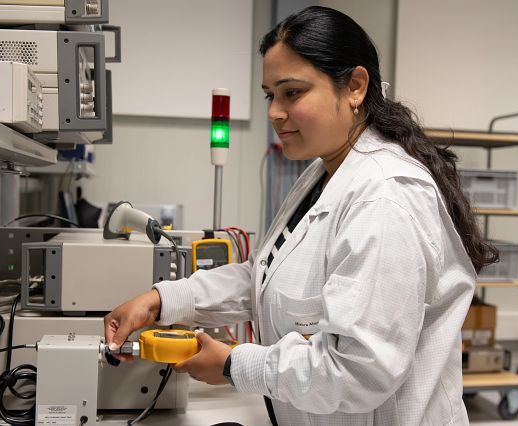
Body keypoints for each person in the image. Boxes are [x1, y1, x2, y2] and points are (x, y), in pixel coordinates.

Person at [104, 6, 498, 425]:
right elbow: (265, 276)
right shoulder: (325, 171)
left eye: (292, 92)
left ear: (355, 86)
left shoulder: (384, 198)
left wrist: (234, 364)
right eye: (270, 94)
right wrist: (163, 299)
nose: (274, 111)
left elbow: (356, 372)